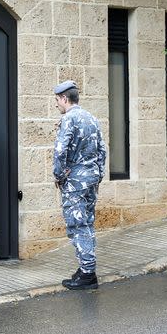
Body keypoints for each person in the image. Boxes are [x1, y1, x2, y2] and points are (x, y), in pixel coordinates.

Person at [52, 80, 107, 290]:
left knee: (77, 226)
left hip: (75, 182)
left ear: (65, 99)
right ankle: (86, 268)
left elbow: (60, 151)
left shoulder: (69, 119)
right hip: (91, 179)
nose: (57, 104)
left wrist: (59, 176)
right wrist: (98, 174)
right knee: (87, 223)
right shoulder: (91, 118)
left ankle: (87, 274)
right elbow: (102, 150)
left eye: (57, 100)